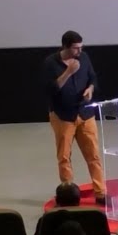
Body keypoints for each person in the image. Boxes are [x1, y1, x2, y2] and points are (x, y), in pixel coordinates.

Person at [43, 31, 106, 204]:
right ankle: (68, 194)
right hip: (63, 116)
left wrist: (90, 89)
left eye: (81, 47)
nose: (79, 51)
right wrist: (68, 72)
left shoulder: (84, 58)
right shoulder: (50, 63)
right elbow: (50, 90)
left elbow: (93, 78)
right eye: (76, 48)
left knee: (93, 155)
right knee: (64, 157)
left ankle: (100, 193)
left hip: (85, 114)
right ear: (65, 47)